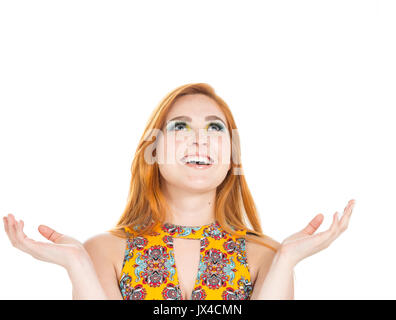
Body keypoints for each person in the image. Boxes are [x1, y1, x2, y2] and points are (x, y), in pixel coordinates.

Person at [3, 83, 356, 300]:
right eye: (181, 127)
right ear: (151, 151)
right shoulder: (104, 252)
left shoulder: (265, 255)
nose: (200, 138)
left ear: (232, 154)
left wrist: (285, 261)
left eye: (215, 127)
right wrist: (78, 266)